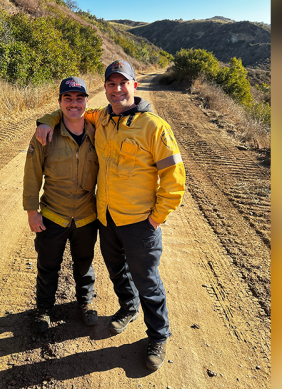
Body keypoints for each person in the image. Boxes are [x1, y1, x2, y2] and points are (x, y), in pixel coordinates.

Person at [34, 60, 186, 371]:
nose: (117, 90)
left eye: (123, 83)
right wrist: (45, 120)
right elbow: (69, 111)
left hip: (140, 221)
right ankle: (127, 308)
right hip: (106, 218)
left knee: (147, 280)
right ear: (105, 89)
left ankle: (158, 335)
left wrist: (157, 217)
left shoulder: (154, 127)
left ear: (134, 85)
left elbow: (175, 178)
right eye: (111, 84)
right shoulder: (100, 118)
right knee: (117, 271)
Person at [22, 76, 100, 333]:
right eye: (68, 98)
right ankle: (44, 309)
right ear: (60, 102)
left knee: (84, 264)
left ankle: (86, 304)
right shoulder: (45, 135)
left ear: (87, 101)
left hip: (87, 216)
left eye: (79, 99)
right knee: (48, 266)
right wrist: (33, 212)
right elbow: (32, 174)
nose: (74, 104)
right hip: (53, 215)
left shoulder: (97, 133)